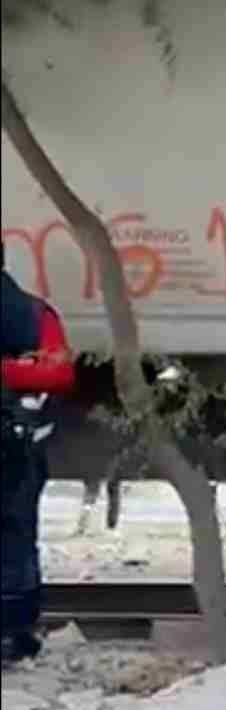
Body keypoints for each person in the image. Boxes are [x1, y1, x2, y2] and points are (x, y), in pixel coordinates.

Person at [1, 262, 76, 666]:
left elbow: (56, 371)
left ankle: (12, 633)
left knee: (13, 533)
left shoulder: (31, 313)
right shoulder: (31, 312)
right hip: (16, 446)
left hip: (15, 446)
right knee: (14, 536)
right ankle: (13, 631)